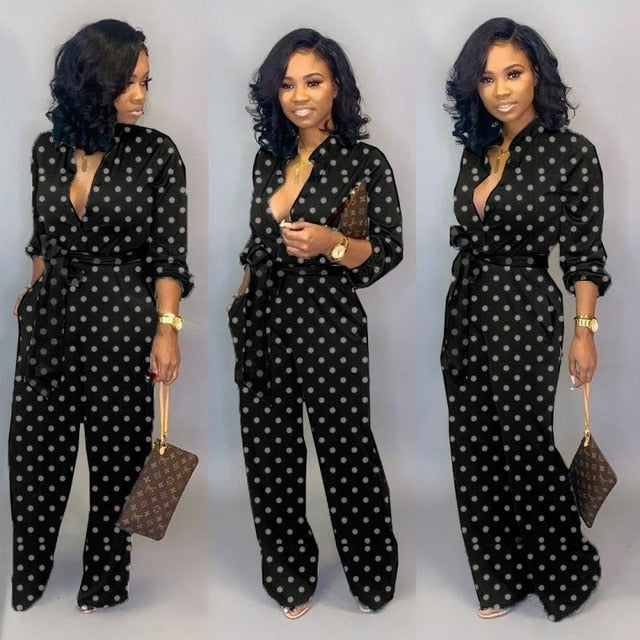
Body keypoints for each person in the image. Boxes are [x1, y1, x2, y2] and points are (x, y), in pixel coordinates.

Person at [9, 19, 193, 612]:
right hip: (50, 322)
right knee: (34, 457)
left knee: (117, 460)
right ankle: (29, 573)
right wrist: (31, 292)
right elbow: (43, 240)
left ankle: (105, 581)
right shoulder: (46, 149)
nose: (140, 95)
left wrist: (168, 329)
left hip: (122, 322)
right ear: (90, 82)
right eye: (127, 83)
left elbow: (169, 255)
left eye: (145, 82)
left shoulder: (157, 152)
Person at [228, 27, 402, 619]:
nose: (299, 96)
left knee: (347, 452)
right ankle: (289, 577)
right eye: (287, 85)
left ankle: (372, 578)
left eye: (313, 82)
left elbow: (386, 252)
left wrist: (332, 244)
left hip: (329, 322)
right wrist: (242, 295)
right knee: (269, 456)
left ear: (337, 88)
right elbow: (257, 241)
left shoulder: (364, 162)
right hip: (263, 319)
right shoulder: (269, 160)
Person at [441, 17, 611, 621]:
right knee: (473, 443)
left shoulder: (572, 152)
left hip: (525, 307)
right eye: (487, 78)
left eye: (512, 73)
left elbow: (585, 255)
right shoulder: (477, 150)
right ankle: (499, 577)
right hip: (467, 307)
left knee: (525, 445)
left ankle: (566, 574)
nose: (501, 90)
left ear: (537, 73)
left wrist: (584, 333)